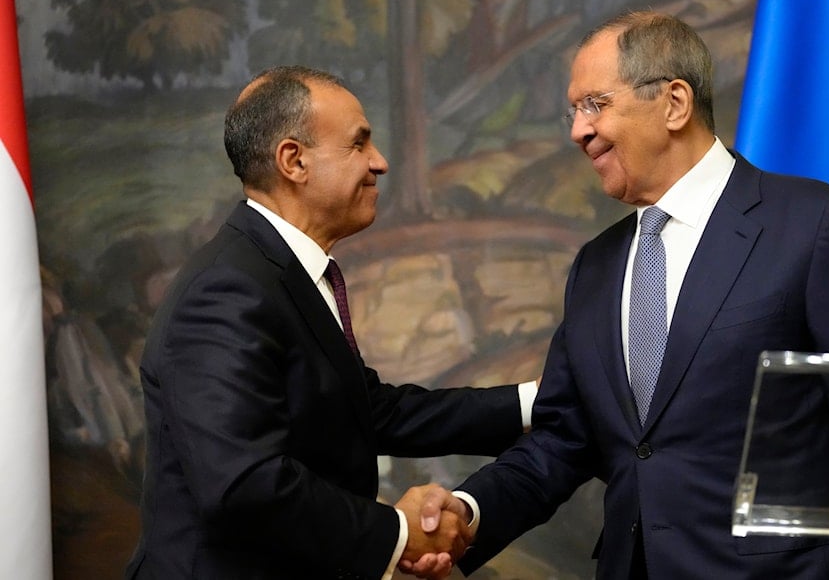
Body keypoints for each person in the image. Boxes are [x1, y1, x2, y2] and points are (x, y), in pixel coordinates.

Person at [408, 10, 829, 579]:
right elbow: (562, 440)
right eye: (573, 112)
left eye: (594, 104)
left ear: (674, 103)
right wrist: (467, 513)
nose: (578, 131)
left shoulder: (814, 224)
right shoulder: (595, 267)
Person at [124, 65, 536, 579]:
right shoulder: (226, 290)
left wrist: (534, 402)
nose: (379, 163)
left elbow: (371, 412)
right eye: (359, 144)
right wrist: (401, 532)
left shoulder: (277, 271)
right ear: (293, 160)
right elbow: (243, 485)